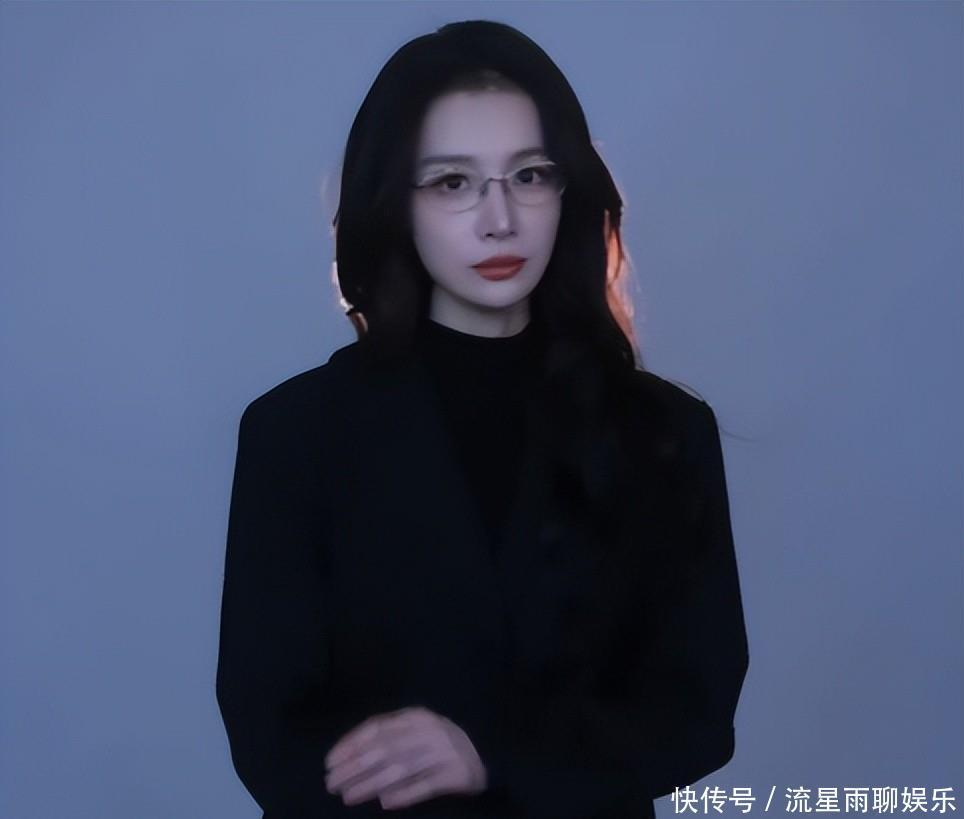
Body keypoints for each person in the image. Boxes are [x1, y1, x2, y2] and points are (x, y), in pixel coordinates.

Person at [216, 19, 749, 819]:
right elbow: (269, 728)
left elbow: (695, 711)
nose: (500, 218)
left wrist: (489, 757)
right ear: (394, 201)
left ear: (567, 190)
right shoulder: (294, 433)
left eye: (530, 174)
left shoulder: (664, 430)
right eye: (452, 183)